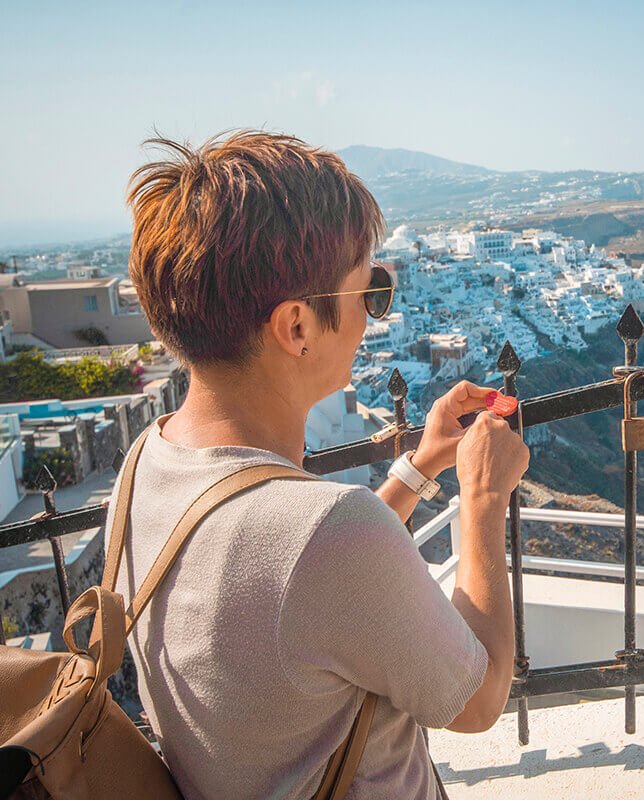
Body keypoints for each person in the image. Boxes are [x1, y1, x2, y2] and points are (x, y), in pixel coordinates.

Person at [116, 130, 528, 799]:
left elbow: (293, 582)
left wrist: (422, 466)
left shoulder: (148, 463)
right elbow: (477, 702)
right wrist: (482, 500)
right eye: (366, 294)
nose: (372, 319)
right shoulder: (330, 534)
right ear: (297, 327)